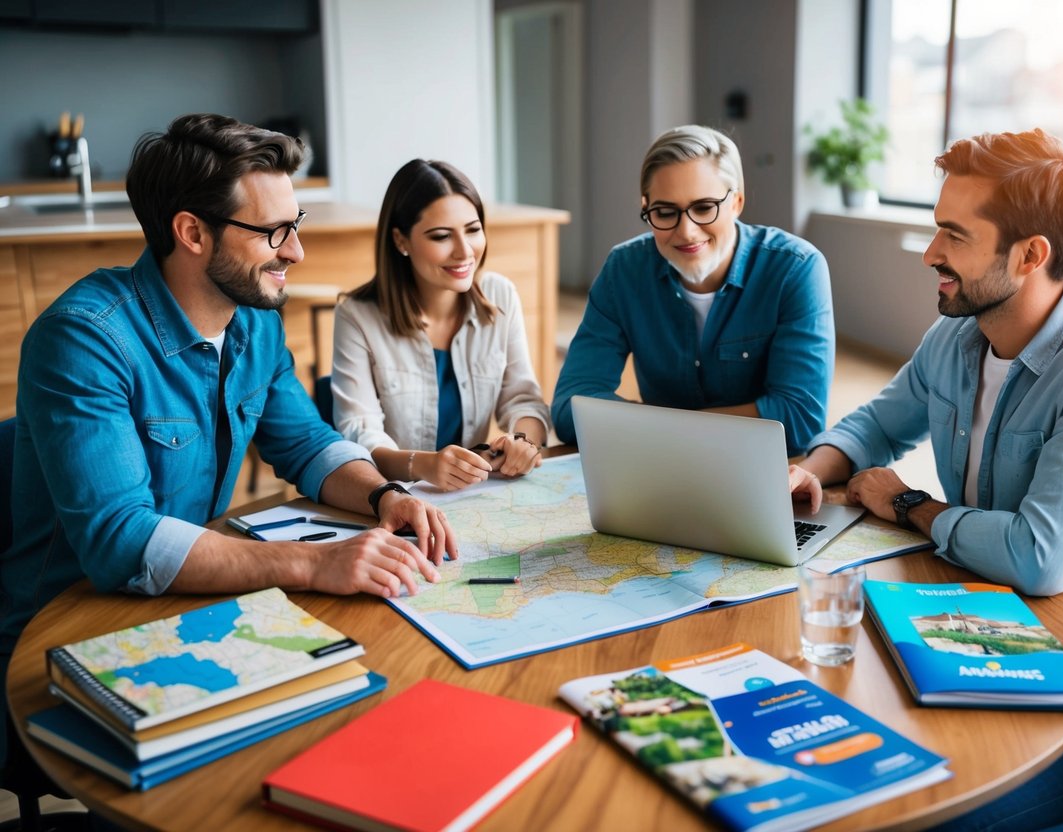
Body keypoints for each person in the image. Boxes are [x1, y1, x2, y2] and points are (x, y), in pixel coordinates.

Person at [0, 114, 458, 764]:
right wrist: (313, 563)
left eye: (293, 225)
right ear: (191, 232)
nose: (295, 251)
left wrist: (384, 495)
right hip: (65, 641)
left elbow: (304, 444)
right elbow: (120, 540)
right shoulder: (84, 339)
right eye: (274, 231)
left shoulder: (253, 321)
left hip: (182, 612)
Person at [789, 128, 1063, 643]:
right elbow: (878, 423)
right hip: (975, 582)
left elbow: (1042, 560)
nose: (929, 253)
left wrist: (908, 504)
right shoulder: (957, 334)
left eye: (955, 235)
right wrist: (807, 472)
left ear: (1030, 256)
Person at [551, 125, 834, 455]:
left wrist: (663, 429)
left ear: (737, 202)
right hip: (661, 467)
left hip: (757, 467)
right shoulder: (623, 270)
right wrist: (688, 432)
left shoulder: (796, 268)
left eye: (704, 207)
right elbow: (571, 408)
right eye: (665, 212)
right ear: (646, 207)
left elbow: (800, 420)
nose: (686, 231)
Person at [331, 159, 550, 492]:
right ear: (401, 241)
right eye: (441, 236)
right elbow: (360, 436)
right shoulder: (357, 316)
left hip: (472, 495)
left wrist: (522, 442)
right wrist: (422, 464)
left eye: (473, 230)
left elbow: (523, 399)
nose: (464, 252)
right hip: (394, 500)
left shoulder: (500, 295)